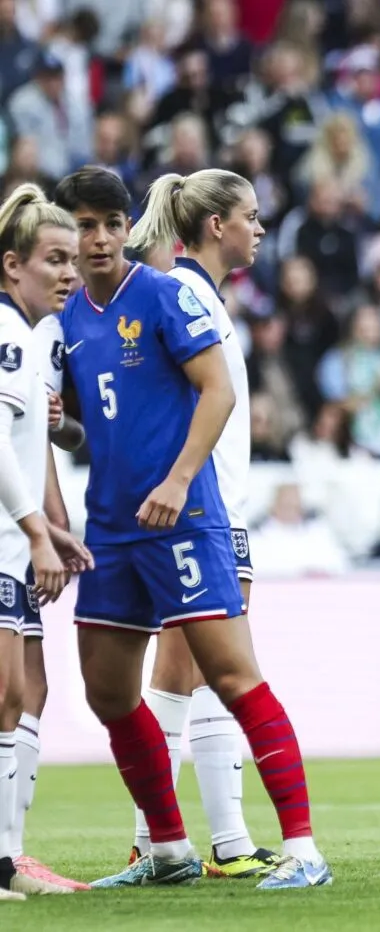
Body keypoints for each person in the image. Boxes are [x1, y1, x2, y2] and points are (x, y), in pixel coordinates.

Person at [50, 167, 332, 889]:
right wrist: (60, 424)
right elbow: (90, 424)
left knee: (231, 676)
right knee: (110, 692)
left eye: (112, 223)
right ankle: (168, 849)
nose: (101, 238)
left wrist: (179, 481)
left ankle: (302, 849)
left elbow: (220, 391)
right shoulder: (69, 319)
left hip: (187, 519)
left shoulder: (167, 292)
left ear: (128, 228)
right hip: (112, 529)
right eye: (85, 225)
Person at [117, 168, 280, 879]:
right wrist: (182, 483)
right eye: (251, 215)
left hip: (216, 506)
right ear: (218, 225)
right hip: (201, 509)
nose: (260, 228)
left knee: (202, 672)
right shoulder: (184, 295)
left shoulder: (200, 296)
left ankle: (217, 842)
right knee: (191, 669)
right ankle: (160, 842)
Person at [0, 185, 94, 899]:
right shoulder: (7, 333)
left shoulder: (36, 337)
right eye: (54, 260)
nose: (69, 273)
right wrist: (37, 531)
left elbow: (36, 444)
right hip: (6, 536)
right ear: (13, 265)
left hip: (18, 533)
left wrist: (51, 528)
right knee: (7, 692)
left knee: (26, 689)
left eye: (71, 260)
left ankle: (9, 855)